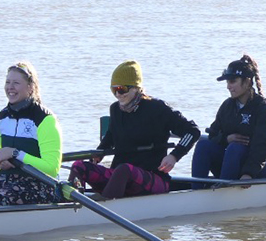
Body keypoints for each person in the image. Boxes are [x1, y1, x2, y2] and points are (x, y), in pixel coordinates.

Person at [68, 60, 200, 199]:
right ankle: (70, 205)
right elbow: (112, 134)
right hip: (120, 176)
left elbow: (192, 131)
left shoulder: (157, 108)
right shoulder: (115, 109)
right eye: (114, 89)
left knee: (124, 169)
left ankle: (104, 212)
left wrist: (174, 156)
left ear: (136, 88)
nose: (118, 94)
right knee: (79, 166)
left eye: (122, 89)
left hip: (153, 178)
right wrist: (99, 152)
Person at [0, 62, 63, 207]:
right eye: (8, 82)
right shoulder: (2, 117)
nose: (10, 87)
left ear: (30, 87)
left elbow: (52, 168)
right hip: (6, 180)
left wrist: (15, 154)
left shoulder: (45, 120)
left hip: (40, 185)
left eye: (16, 83)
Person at [192, 55, 266, 182]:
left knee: (235, 148)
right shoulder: (227, 106)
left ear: (247, 82)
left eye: (233, 81)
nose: (228, 86)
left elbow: (261, 149)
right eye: (227, 82)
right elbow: (213, 134)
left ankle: (225, 192)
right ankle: (197, 190)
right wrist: (226, 138)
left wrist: (248, 173)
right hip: (234, 161)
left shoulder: (265, 111)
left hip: (262, 168)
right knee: (203, 145)